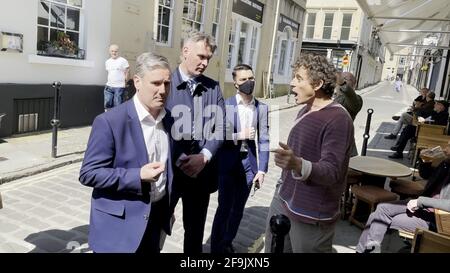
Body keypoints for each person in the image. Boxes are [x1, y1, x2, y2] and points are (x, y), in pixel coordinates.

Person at [79, 52, 174, 253]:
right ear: (137, 82)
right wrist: (137, 175)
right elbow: (89, 173)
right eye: (156, 83)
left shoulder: (170, 119)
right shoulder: (109, 122)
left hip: (155, 221)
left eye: (167, 83)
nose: (163, 90)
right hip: (118, 229)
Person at [265, 53, 354, 253]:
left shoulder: (338, 119)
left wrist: (297, 164)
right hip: (284, 201)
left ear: (317, 84)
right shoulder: (304, 110)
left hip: (311, 215)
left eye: (298, 78)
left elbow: (332, 172)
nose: (291, 83)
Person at [165, 31, 225, 253]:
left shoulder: (213, 87)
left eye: (208, 58)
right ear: (185, 51)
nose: (205, 63)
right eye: (201, 56)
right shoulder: (165, 84)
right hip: (169, 173)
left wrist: (204, 156)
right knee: (157, 229)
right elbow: (157, 128)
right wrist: (181, 158)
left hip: (201, 175)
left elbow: (221, 127)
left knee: (195, 235)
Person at [210, 64, 269, 253]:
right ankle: (216, 247)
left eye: (251, 78)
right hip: (228, 162)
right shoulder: (225, 106)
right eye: (243, 80)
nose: (248, 82)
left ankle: (228, 241)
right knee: (224, 208)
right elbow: (216, 134)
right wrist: (239, 135)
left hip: (248, 164)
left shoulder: (262, 108)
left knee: (238, 209)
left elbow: (264, 139)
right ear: (235, 83)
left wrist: (262, 169)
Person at [356, 140, 450, 253]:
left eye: (449, 146)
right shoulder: (446, 163)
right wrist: (425, 160)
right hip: (423, 207)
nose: (445, 148)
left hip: (437, 220)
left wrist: (421, 202)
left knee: (376, 216)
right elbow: (425, 175)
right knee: (381, 209)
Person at [334, 71, 363, 157]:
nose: (343, 80)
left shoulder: (357, 99)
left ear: (354, 85)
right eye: (342, 78)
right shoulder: (331, 96)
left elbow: (351, 97)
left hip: (344, 149)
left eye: (346, 79)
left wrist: (342, 83)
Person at [104, 44, 129, 111]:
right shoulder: (107, 62)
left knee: (117, 104)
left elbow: (127, 71)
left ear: (118, 52)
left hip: (119, 86)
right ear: (109, 51)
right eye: (112, 51)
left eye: (116, 51)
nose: (114, 53)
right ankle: (108, 117)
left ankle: (117, 119)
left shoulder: (123, 61)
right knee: (107, 103)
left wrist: (125, 82)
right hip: (109, 86)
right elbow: (109, 73)